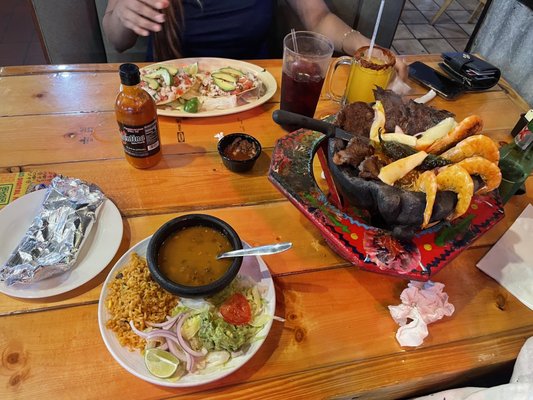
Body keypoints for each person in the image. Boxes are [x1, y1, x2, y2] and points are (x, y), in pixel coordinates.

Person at [103, 0, 407, 80]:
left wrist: (362, 45)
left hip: (256, 88)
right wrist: (123, 15)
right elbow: (117, 40)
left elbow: (317, 16)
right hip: (174, 92)